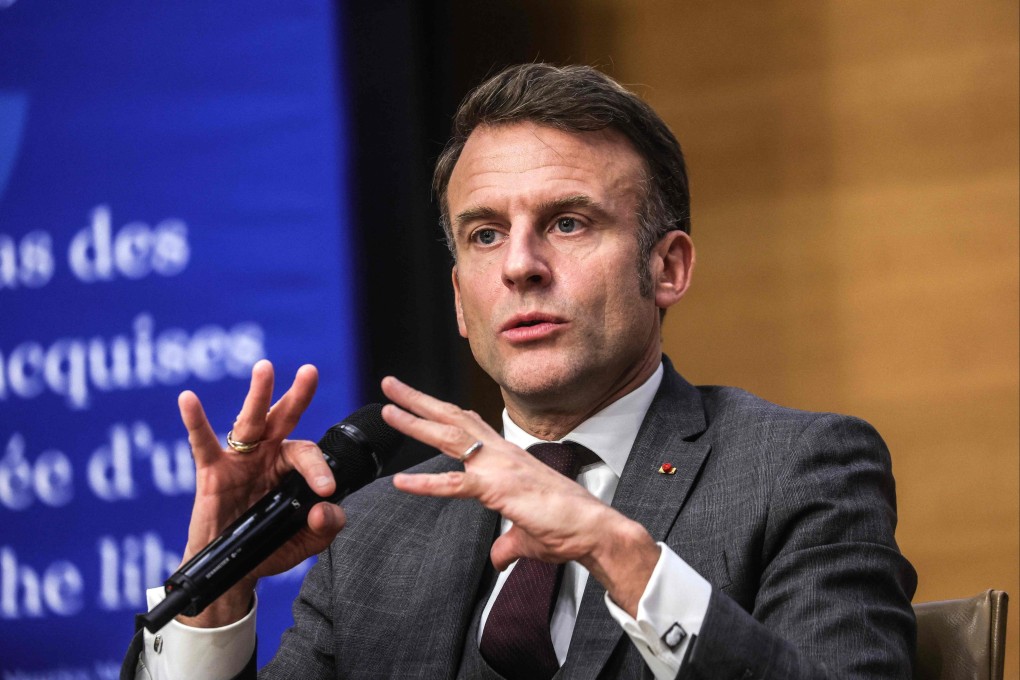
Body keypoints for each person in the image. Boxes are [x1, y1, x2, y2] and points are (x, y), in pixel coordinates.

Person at [126, 64, 917, 680]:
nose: (520, 267)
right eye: (483, 234)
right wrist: (214, 597)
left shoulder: (799, 470)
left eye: (568, 223)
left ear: (667, 267)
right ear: (461, 303)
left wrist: (617, 550)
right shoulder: (370, 536)